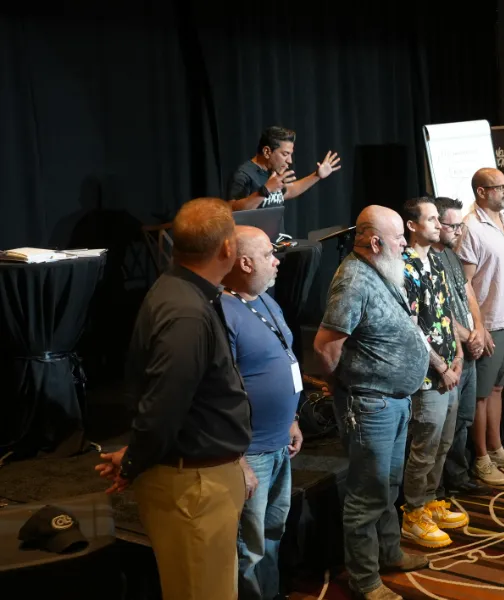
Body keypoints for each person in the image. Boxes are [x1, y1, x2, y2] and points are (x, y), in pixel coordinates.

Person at [95, 198, 250, 600]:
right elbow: (163, 406)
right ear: (227, 248)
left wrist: (136, 454)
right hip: (194, 489)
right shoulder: (186, 312)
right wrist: (136, 460)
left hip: (196, 481)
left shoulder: (181, 292)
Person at [313, 205, 430, 600]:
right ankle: (365, 580)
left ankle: (389, 553)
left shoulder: (381, 268)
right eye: (399, 238)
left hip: (392, 401)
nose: (405, 244)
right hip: (369, 406)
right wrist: (342, 387)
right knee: (367, 494)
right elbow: (325, 348)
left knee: (388, 486)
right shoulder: (353, 280)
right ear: (376, 242)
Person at [220, 226, 304, 600]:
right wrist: (236, 457)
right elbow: (218, 393)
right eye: (269, 254)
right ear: (244, 263)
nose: (277, 261)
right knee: (247, 546)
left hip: (280, 442)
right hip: (250, 451)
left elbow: (284, 359)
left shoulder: (266, 300)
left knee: (272, 532)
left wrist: (292, 419)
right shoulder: (221, 313)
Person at [456, 168, 504, 486]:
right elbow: (465, 285)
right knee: (481, 395)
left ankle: (497, 448)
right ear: (481, 192)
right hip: (488, 325)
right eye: (499, 187)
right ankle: (481, 459)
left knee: (498, 389)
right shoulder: (470, 227)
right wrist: (478, 326)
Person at [399, 197, 468, 549]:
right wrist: (440, 366)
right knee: (424, 447)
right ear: (412, 226)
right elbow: (411, 327)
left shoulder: (436, 261)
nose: (439, 226)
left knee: (443, 443)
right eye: (431, 220)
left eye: (439, 220)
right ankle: (412, 513)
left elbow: (445, 313)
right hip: (429, 376)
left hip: (450, 366)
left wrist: (457, 355)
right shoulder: (405, 266)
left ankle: (429, 501)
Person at [432, 197, 489, 498]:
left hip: (467, 350)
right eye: (452, 226)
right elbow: (436, 311)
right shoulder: (425, 261)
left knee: (463, 419)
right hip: (448, 355)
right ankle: (436, 488)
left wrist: (479, 328)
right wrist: (468, 336)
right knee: (443, 427)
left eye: (460, 226)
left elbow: (468, 292)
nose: (458, 231)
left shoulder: (452, 256)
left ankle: (458, 475)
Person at [226, 126, 342, 211]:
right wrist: (265, 190)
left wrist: (317, 175)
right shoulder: (243, 174)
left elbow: (289, 191)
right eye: (285, 154)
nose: (289, 161)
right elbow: (232, 210)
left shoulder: (272, 171)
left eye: (290, 154)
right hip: (257, 238)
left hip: (279, 237)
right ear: (267, 151)